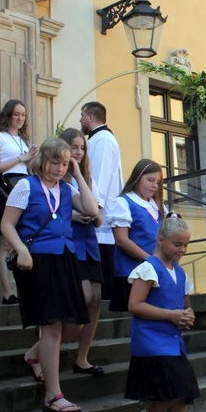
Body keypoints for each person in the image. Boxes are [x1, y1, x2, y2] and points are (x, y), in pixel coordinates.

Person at [1, 137, 99, 412]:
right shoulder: (25, 186)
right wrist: (21, 249)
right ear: (43, 159)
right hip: (36, 260)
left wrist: (78, 174)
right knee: (53, 327)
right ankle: (53, 395)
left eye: (65, 163)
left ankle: (34, 354)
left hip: (66, 258)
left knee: (76, 324)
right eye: (55, 161)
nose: (59, 168)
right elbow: (7, 224)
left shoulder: (67, 189)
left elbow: (92, 210)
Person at [126, 216, 201, 412]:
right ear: (160, 240)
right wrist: (171, 315)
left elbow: (186, 306)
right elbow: (135, 305)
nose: (182, 250)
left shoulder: (180, 272)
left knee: (182, 398)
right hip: (152, 343)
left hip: (172, 343)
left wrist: (187, 316)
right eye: (177, 244)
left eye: (185, 245)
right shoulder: (148, 267)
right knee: (179, 388)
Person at [60, 128, 105, 376]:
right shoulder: (56, 176)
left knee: (96, 299)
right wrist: (77, 216)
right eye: (74, 147)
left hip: (89, 241)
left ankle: (82, 358)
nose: (78, 152)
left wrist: (91, 217)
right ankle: (42, 348)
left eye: (82, 148)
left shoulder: (87, 178)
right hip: (69, 243)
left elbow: (99, 217)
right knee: (84, 296)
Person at [0, 99, 37, 305]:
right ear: (8, 115)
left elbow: (29, 168)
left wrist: (32, 157)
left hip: (24, 185)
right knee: (6, 243)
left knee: (25, 237)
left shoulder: (24, 140)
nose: (20, 118)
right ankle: (8, 292)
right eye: (16, 114)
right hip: (6, 185)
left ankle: (23, 289)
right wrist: (20, 158)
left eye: (23, 115)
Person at [80, 101, 123, 302]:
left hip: (102, 212)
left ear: (90, 117)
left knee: (104, 261)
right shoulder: (98, 139)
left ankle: (106, 301)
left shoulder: (103, 139)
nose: (80, 119)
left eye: (82, 115)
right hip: (99, 210)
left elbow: (99, 176)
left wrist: (93, 207)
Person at [109, 159, 165, 312]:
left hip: (155, 271)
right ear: (137, 178)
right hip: (132, 272)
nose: (154, 185)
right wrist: (150, 259)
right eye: (150, 180)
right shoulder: (123, 203)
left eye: (158, 182)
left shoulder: (157, 206)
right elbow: (122, 240)